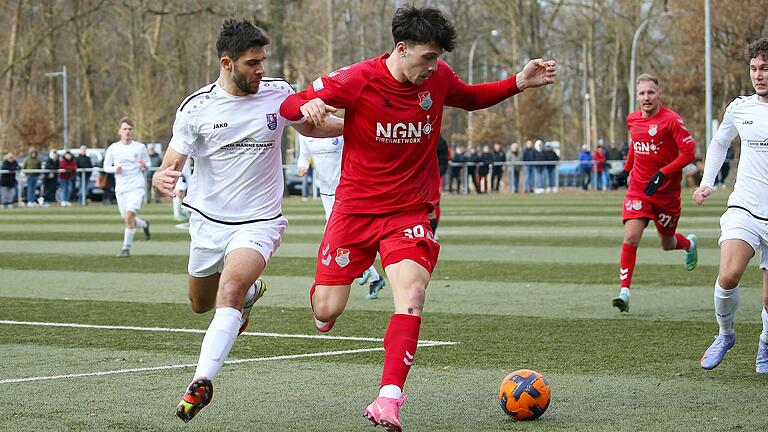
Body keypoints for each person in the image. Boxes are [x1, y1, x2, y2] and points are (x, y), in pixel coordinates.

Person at [279, 5, 556, 430]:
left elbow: (472, 97)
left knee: (413, 294)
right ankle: (323, 308)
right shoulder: (357, 78)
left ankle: (388, 398)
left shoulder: (439, 78)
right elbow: (290, 104)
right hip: (353, 210)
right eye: (427, 57)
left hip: (409, 210)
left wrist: (519, 82)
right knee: (327, 309)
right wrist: (311, 106)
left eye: (438, 57)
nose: (433, 66)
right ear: (401, 47)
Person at [150, 18, 342, 423]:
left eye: (263, 61)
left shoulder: (278, 94)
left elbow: (314, 127)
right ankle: (249, 294)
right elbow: (171, 164)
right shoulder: (196, 108)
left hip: (259, 221)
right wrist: (161, 176)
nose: (261, 69)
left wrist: (370, 127)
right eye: (253, 63)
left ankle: (201, 380)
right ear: (226, 62)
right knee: (200, 304)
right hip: (207, 223)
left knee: (231, 287)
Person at [694, 38, 768, 373]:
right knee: (728, 274)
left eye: (764, 68)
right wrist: (708, 181)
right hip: (745, 206)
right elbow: (720, 140)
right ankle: (725, 334)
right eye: (754, 68)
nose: (758, 75)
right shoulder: (740, 107)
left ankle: (765, 342)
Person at [611, 73, 698, 313]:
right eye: (642, 93)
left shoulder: (672, 120)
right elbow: (634, 145)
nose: (646, 97)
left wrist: (664, 173)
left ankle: (689, 244)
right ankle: (624, 292)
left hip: (667, 194)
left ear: (659, 94)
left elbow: (689, 153)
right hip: (639, 189)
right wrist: (626, 170)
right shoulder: (632, 120)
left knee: (667, 243)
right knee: (631, 237)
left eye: (651, 92)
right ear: (636, 97)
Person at [296, 133, 386, 299]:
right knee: (338, 237)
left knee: (337, 236)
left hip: (346, 190)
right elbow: (303, 157)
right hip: (325, 192)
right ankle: (373, 276)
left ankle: (368, 272)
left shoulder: (340, 128)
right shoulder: (305, 132)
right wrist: (302, 166)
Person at [103, 117, 152, 257]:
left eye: (130, 129)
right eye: (125, 129)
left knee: (129, 216)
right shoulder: (113, 148)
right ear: (119, 131)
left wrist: (144, 165)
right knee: (127, 218)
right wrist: (114, 169)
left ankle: (126, 248)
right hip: (121, 188)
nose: (127, 132)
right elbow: (106, 167)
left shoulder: (140, 147)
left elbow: (148, 164)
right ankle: (144, 224)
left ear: (133, 131)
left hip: (136, 186)